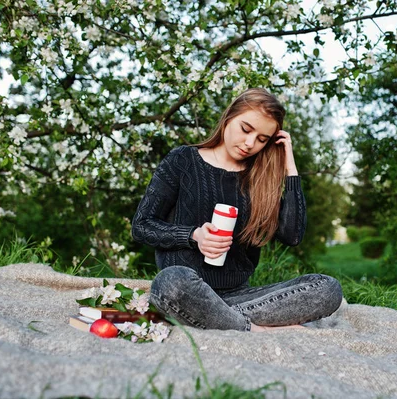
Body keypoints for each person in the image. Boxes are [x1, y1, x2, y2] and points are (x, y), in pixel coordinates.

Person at [131, 88, 343, 332]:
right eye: (245, 129)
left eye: (262, 139)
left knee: (327, 288)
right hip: (187, 289)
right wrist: (193, 236)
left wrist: (290, 168)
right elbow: (142, 226)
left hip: (241, 297)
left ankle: (221, 320)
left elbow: (292, 236)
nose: (250, 143)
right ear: (229, 117)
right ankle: (255, 329)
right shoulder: (183, 160)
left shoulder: (259, 178)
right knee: (170, 283)